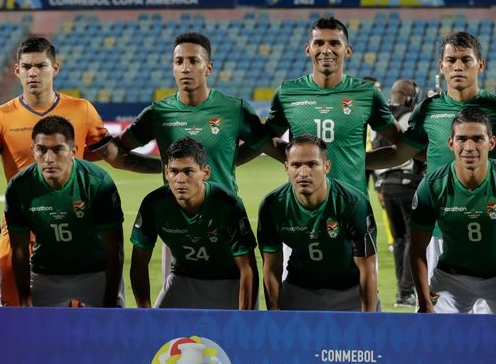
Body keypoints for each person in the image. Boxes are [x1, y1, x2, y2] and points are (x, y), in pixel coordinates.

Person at [0, 36, 156, 306]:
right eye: (27, 66)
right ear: (16, 70)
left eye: (41, 66)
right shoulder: (0, 116)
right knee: (16, 313)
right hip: (22, 228)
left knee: (78, 321)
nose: (33, 72)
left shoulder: (81, 110)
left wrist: (166, 168)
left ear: (55, 68)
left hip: (76, 228)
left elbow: (116, 158)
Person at [366, 31, 496, 284]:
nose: (458, 66)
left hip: (490, 224)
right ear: (442, 65)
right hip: (438, 229)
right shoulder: (428, 109)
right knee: (438, 318)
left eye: (466, 60)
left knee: (491, 317)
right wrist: (354, 160)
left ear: (479, 65)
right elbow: (398, 154)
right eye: (451, 60)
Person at [410, 107, 496, 314]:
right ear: (451, 143)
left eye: (477, 139)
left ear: (491, 143)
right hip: (452, 277)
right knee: (429, 334)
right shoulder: (433, 185)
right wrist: (424, 301)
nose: (469, 147)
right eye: (462, 139)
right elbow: (417, 250)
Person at [117, 32, 282, 195]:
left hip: (225, 213)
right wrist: (161, 166)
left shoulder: (235, 109)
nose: (185, 68)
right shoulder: (157, 113)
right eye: (179, 61)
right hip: (176, 214)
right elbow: (117, 150)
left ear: (208, 68)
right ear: (173, 67)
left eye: (193, 61)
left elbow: (267, 145)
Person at [265, 16, 402, 195]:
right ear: (308, 49)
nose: (326, 50)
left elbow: (401, 143)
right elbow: (264, 140)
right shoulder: (287, 93)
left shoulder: (367, 93)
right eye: (319, 43)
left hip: (352, 204)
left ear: (348, 50)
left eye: (335, 44)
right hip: (304, 206)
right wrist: (296, 157)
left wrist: (358, 159)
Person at [4, 116, 124, 307]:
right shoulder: (19, 187)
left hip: (96, 272)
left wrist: (110, 300)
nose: (49, 159)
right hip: (45, 273)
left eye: (58, 149)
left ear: (73, 151)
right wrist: (25, 299)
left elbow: (114, 248)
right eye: (41, 150)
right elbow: (19, 250)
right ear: (33, 151)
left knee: (109, 332)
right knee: (37, 335)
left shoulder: (98, 182)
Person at [130, 138, 258, 309]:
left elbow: (247, 268)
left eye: (188, 171)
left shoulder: (228, 204)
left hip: (229, 282)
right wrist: (145, 313)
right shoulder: (154, 204)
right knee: (156, 333)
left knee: (235, 335)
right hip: (182, 279)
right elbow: (138, 264)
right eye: (174, 171)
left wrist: (245, 317)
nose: (180, 179)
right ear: (166, 172)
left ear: (205, 172)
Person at [258, 134, 378, 311]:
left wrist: (369, 318)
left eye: (312, 164)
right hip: (299, 289)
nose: (303, 173)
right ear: (286, 167)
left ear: (326, 167)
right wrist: (274, 315)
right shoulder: (272, 205)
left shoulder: (353, 203)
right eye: (296, 165)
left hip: (350, 291)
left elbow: (368, 270)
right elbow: (271, 267)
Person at [371, 78, 425, 307]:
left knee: (400, 239)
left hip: (385, 185)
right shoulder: (409, 116)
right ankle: (405, 291)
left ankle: (402, 290)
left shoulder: (379, 117)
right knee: (414, 239)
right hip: (407, 183)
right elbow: (417, 150)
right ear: (410, 97)